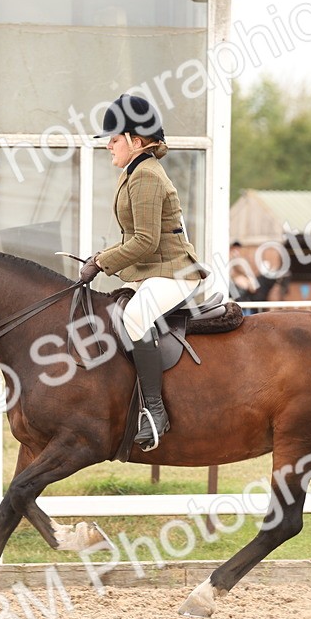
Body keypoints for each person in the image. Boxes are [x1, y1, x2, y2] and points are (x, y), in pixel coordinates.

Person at [77, 94, 209, 452]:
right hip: (154, 272)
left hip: (173, 273)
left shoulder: (146, 176)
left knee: (135, 318)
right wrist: (102, 257)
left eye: (114, 139)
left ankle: (155, 412)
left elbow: (146, 242)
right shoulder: (135, 172)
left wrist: (102, 263)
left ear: (136, 141)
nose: (108, 145)